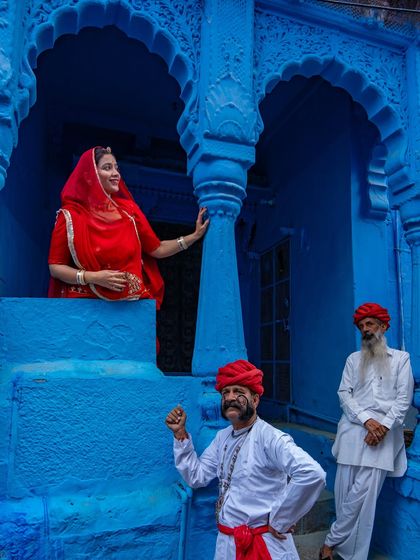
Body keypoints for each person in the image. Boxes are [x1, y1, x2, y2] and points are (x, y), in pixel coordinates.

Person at [165, 359, 326, 559]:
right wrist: (180, 434)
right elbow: (197, 477)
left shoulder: (270, 437)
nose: (230, 397)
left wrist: (281, 520)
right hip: (227, 543)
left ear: (255, 400)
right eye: (225, 392)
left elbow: (312, 473)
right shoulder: (222, 437)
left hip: (263, 544)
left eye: (238, 392)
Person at [48, 146, 209, 302]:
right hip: (86, 305)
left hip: (131, 305)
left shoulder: (129, 211)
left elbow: (157, 249)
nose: (116, 173)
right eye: (107, 168)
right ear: (90, 176)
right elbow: (55, 267)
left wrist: (194, 237)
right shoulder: (71, 216)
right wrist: (94, 277)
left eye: (116, 168)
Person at [320, 303, 414, 560]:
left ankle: (332, 544)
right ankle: (340, 549)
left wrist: (382, 426)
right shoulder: (353, 359)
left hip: (384, 435)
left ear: (383, 327)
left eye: (370, 324)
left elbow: (403, 399)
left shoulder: (401, 359)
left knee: (363, 497)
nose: (366, 329)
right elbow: (344, 394)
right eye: (362, 326)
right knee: (344, 495)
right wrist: (365, 420)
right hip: (352, 431)